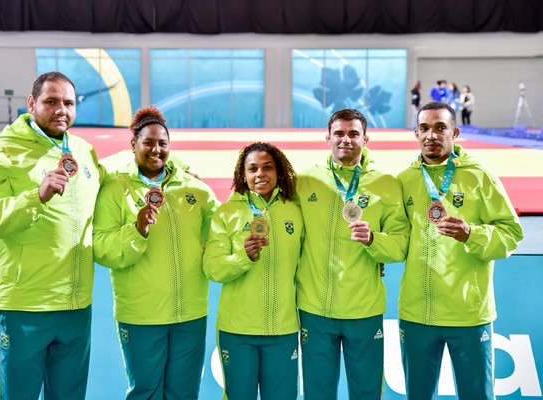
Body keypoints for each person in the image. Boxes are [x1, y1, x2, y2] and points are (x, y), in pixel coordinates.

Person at [0, 71, 106, 399]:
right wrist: (34, 197)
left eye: (68, 103)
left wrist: (173, 172)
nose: (61, 110)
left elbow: (116, 185)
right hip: (24, 305)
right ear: (32, 103)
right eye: (51, 101)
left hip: (75, 305)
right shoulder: (2, 154)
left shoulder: (83, 152)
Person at [398, 101, 523, 400]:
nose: (432, 134)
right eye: (425, 128)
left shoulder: (480, 177)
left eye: (440, 127)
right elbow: (396, 237)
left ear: (454, 132)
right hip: (417, 313)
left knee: (477, 395)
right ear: (416, 133)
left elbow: (511, 233)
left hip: (468, 314)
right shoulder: (404, 181)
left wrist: (472, 234)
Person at [92, 105, 219, 400]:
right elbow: (102, 249)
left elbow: (222, 232)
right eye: (148, 142)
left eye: (162, 143)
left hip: (190, 312)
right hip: (141, 314)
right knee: (146, 392)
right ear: (133, 144)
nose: (156, 150)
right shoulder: (115, 189)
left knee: (185, 392)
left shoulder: (194, 188)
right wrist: (136, 231)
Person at [295, 108, 409, 399]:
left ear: (366, 138)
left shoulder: (386, 183)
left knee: (367, 392)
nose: (346, 140)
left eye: (354, 134)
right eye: (339, 134)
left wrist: (373, 240)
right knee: (318, 393)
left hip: (364, 308)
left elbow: (401, 245)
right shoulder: (305, 180)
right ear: (327, 138)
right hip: (315, 307)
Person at [203, 142, 304, 400]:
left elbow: (310, 259)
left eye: (267, 167)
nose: (260, 174)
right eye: (253, 169)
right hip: (238, 331)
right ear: (243, 175)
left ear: (278, 171)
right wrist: (243, 257)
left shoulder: (295, 211)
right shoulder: (226, 213)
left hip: (282, 329)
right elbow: (213, 268)